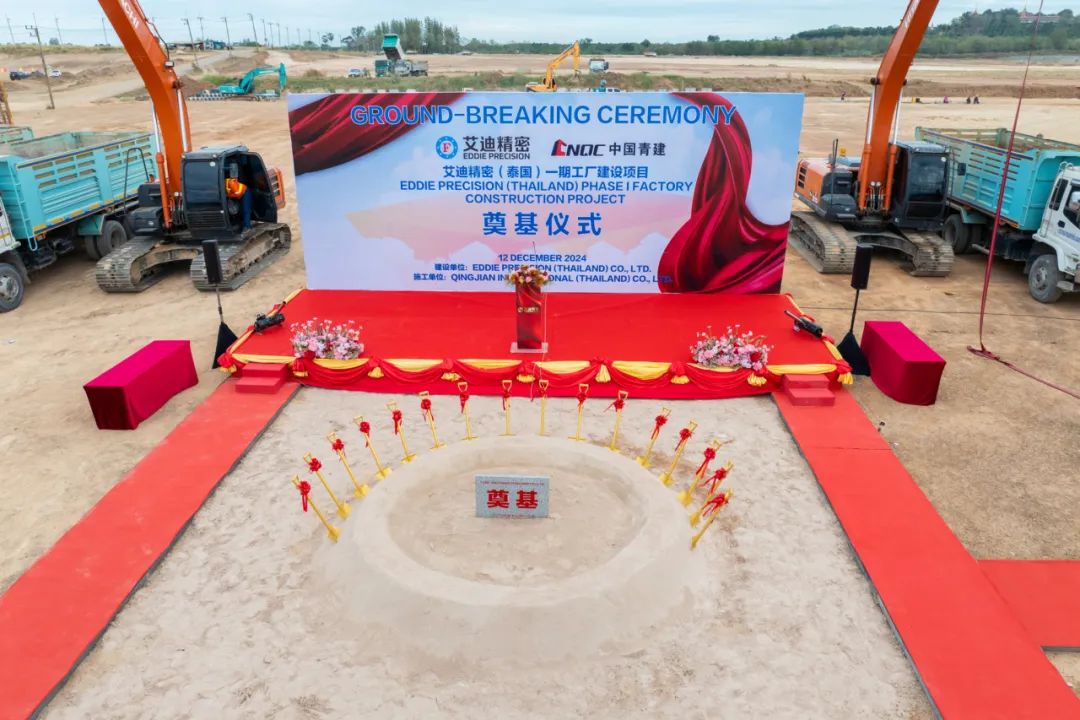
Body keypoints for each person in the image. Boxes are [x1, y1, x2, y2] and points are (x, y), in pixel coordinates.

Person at [224, 164, 251, 231]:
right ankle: (238, 223)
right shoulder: (225, 183)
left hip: (244, 192)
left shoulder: (231, 183)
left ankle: (247, 227)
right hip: (235, 194)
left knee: (245, 209)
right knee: (236, 209)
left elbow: (237, 193)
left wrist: (228, 196)